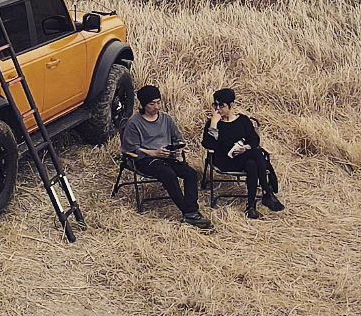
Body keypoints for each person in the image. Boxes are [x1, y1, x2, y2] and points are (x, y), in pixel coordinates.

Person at [119, 85, 213, 230]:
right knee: (167, 173)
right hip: (145, 159)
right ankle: (190, 213)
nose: (157, 106)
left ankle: (191, 211)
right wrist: (152, 153)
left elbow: (178, 139)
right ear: (143, 105)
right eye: (152, 104)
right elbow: (130, 149)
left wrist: (176, 149)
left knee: (191, 174)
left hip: (167, 156)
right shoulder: (134, 123)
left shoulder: (166, 119)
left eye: (158, 102)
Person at [202, 88, 284, 219]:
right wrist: (213, 126)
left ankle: (251, 206)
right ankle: (266, 191)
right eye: (215, 105)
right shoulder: (213, 123)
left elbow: (254, 140)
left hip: (243, 158)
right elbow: (208, 144)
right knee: (256, 154)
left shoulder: (243, 121)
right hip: (224, 160)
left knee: (252, 163)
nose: (217, 109)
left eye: (221, 105)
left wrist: (245, 147)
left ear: (231, 105)